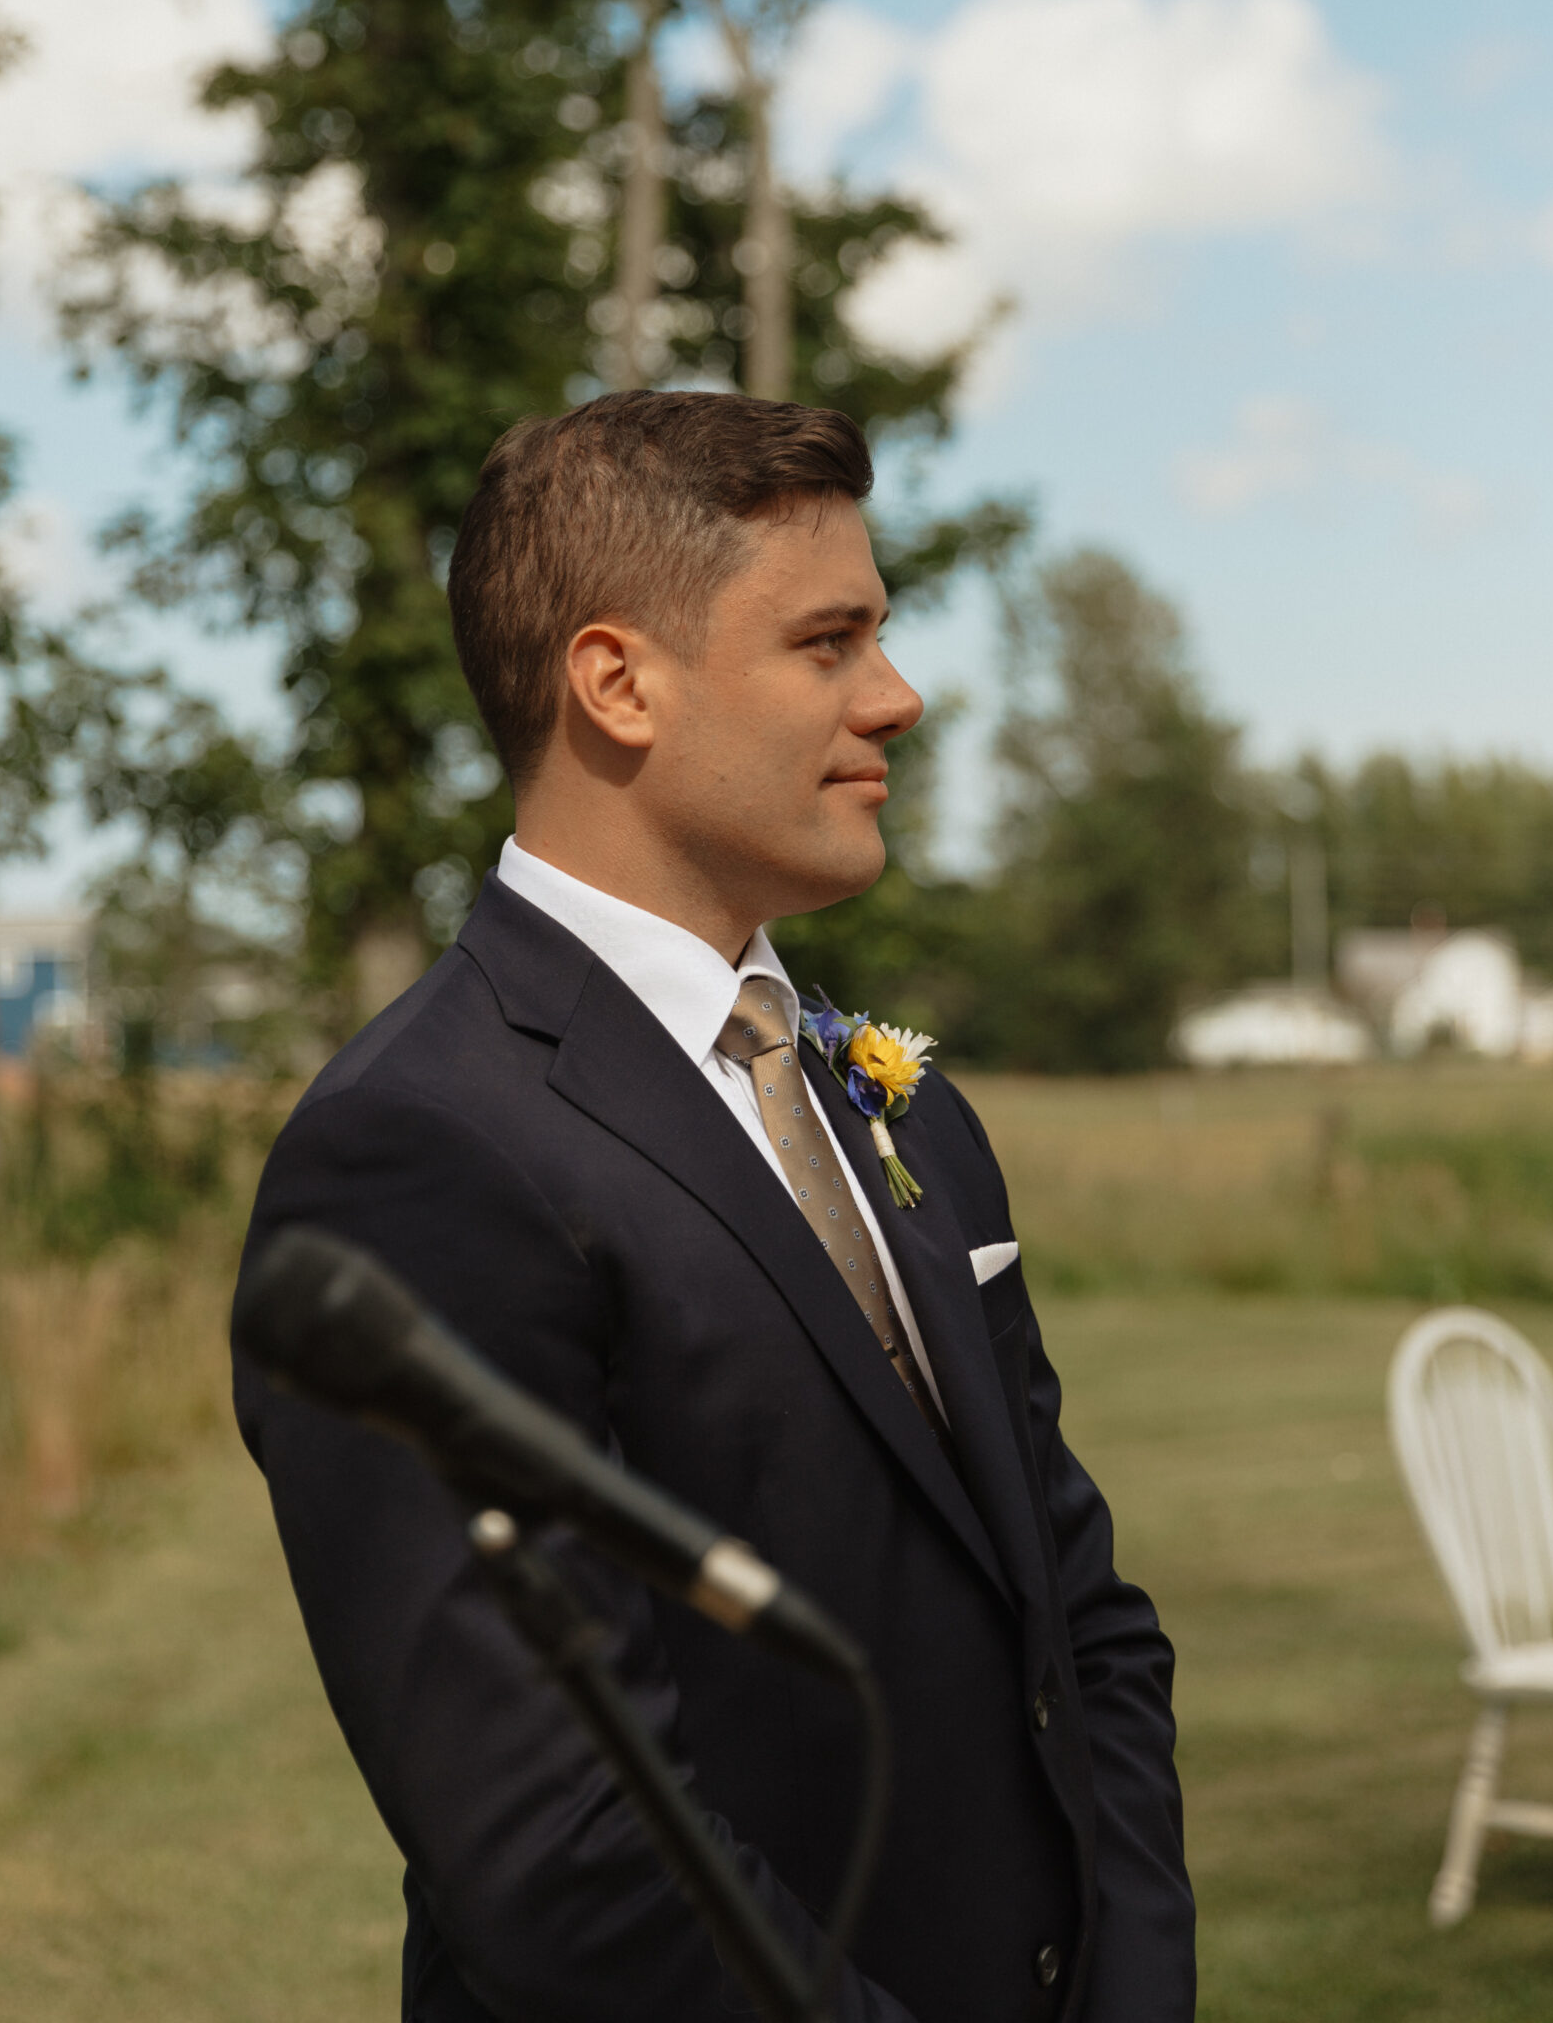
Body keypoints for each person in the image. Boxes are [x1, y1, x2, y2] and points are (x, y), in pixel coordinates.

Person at [233, 391, 1195, 2023]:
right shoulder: (422, 1149)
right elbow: (561, 1848)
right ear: (618, 684)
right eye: (827, 643)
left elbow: (1081, 1627)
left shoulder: (902, 1106)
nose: (896, 698)